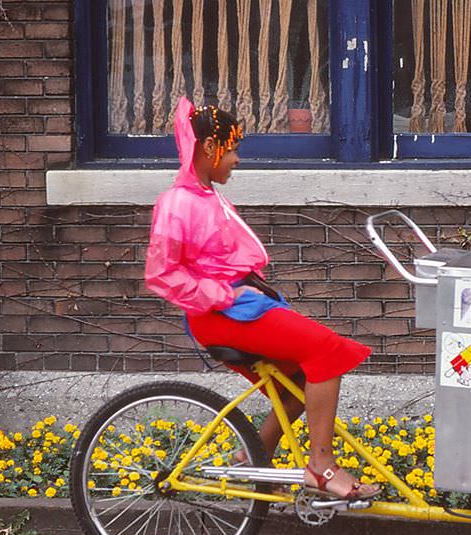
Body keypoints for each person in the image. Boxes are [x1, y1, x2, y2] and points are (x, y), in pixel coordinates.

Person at [144, 97, 380, 500]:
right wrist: (225, 293)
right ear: (208, 149)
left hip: (242, 307)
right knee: (327, 351)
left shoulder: (206, 195)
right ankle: (322, 467)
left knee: (298, 382)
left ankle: (252, 459)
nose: (236, 160)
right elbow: (162, 275)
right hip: (221, 314)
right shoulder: (178, 203)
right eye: (232, 149)